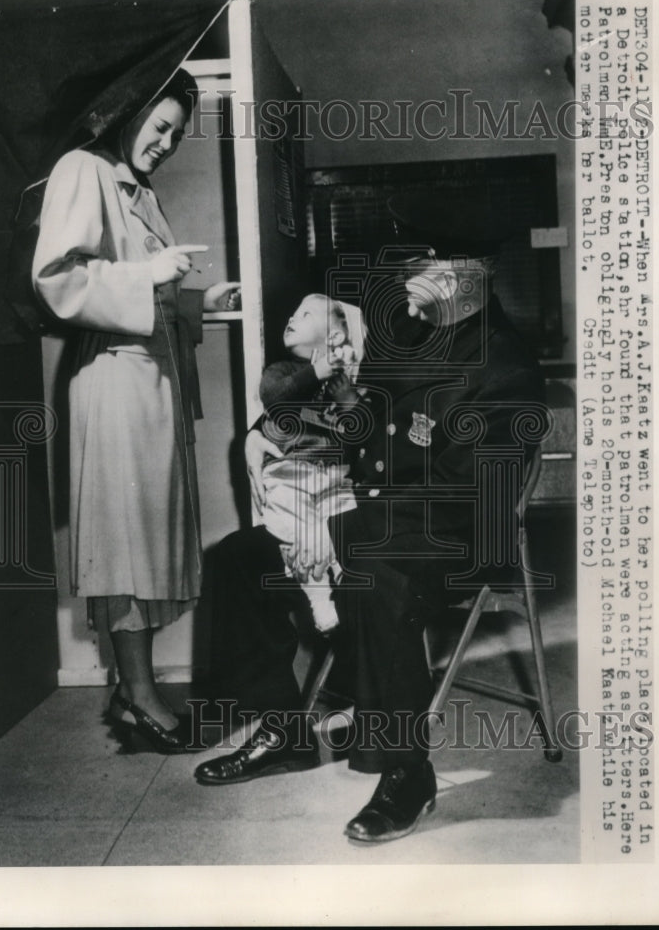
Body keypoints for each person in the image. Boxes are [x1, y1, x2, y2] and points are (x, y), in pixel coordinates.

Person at [195, 195, 548, 844]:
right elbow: (368, 436)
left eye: (415, 273)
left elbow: (477, 504)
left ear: (462, 275)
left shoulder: (506, 367)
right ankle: (284, 727)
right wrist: (299, 426)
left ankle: (408, 772)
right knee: (236, 559)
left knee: (374, 570)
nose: (403, 293)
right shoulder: (415, 338)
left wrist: (337, 533)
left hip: (458, 540)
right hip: (373, 520)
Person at [32, 67, 240, 753]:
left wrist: (196, 303)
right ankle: (142, 697)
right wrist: (147, 276)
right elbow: (58, 279)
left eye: (177, 135)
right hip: (115, 382)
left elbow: (139, 291)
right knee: (125, 544)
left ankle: (133, 684)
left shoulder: (136, 189)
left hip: (149, 381)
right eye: (159, 126)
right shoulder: (81, 168)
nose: (166, 143)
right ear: (127, 113)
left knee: (148, 540)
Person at [257, 293, 366, 632]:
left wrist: (348, 399)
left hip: (333, 474)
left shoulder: (346, 379)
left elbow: (360, 433)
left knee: (348, 517)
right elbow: (273, 398)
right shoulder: (282, 371)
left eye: (304, 315)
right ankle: (319, 599)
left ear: (334, 337)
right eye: (294, 312)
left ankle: (347, 583)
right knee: (298, 526)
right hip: (290, 473)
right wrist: (314, 372)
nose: (292, 318)